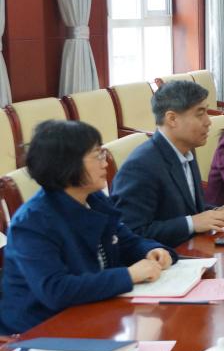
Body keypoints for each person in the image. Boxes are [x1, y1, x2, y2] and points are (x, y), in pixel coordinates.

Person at [0, 121, 175, 334]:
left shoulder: (94, 199)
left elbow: (126, 240)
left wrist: (151, 250)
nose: (105, 163)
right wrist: (128, 275)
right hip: (39, 331)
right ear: (67, 164)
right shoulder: (31, 223)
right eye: (97, 155)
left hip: (93, 311)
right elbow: (55, 290)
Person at [111, 81, 224, 248]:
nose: (208, 122)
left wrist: (218, 211)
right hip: (163, 258)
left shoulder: (186, 151)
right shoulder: (140, 166)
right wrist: (191, 223)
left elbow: (186, 209)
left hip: (193, 250)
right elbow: (130, 233)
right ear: (172, 119)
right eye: (200, 114)